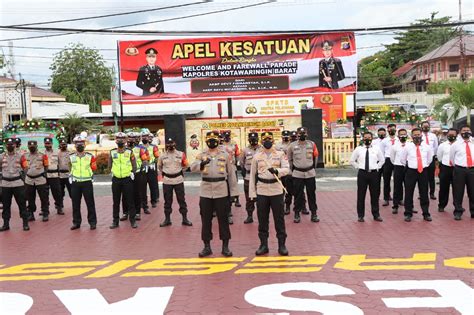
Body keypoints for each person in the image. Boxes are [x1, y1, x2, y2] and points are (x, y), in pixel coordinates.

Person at [190, 131, 238, 258]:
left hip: (221, 190)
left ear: (218, 141)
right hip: (205, 191)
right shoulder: (201, 155)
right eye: (210, 139)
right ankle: (207, 247)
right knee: (206, 220)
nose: (212, 141)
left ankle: (225, 246)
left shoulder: (225, 155)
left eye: (214, 139)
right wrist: (201, 164)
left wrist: (233, 193)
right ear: (206, 141)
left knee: (223, 219)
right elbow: (192, 167)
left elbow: (232, 175)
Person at [249, 131, 290, 256]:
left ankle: (282, 245)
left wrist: (277, 170)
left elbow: (287, 169)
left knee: (279, 219)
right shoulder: (257, 156)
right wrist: (252, 193)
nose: (267, 141)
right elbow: (252, 175)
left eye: (269, 139)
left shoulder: (280, 154)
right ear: (261, 141)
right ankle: (263, 245)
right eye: (265, 139)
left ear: (273, 140)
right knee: (262, 219)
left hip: (276, 189)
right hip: (262, 189)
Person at [399, 128, 434, 222]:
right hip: (411, 171)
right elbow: (402, 159)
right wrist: (411, 165)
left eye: (418, 134)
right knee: (409, 192)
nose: (417, 136)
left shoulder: (427, 147)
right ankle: (408, 213)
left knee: (424, 192)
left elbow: (430, 159)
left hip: (423, 171)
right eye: (415, 135)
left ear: (421, 135)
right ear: (411, 136)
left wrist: (422, 166)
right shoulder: (407, 147)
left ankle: (426, 213)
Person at [350, 132, 385, 222]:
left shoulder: (376, 149)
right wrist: (358, 166)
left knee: (375, 195)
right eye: (365, 137)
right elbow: (352, 160)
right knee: (361, 195)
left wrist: (377, 167)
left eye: (369, 137)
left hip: (374, 174)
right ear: (363, 139)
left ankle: (376, 214)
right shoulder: (358, 149)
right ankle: (360, 215)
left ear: (372, 138)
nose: (367, 139)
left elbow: (382, 160)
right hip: (362, 174)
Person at [287, 127, 319, 223]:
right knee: (298, 195)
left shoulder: (312, 144)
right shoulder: (292, 146)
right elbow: (289, 159)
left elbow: (315, 157)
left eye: (303, 133)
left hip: (310, 173)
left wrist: (313, 168)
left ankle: (314, 213)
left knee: (311, 195)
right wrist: (291, 170)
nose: (302, 135)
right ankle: (297, 213)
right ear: (297, 134)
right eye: (300, 133)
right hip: (297, 174)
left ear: (307, 134)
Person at [157, 137, 192, 227]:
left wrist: (179, 171)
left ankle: (185, 219)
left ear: (175, 144)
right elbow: (159, 166)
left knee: (181, 200)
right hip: (167, 181)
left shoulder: (181, 154)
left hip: (178, 180)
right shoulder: (162, 155)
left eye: (172, 144)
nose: (170, 145)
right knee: (167, 201)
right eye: (168, 144)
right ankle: (167, 219)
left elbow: (186, 165)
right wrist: (167, 172)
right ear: (166, 145)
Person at [108, 132, 138, 229]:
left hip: (127, 179)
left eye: (122, 139)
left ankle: (133, 221)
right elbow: (109, 165)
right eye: (118, 139)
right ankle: (115, 222)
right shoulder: (112, 152)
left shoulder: (129, 152)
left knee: (130, 200)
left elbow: (134, 164)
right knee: (116, 201)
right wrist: (111, 172)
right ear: (116, 140)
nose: (120, 140)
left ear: (125, 140)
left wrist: (132, 172)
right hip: (116, 179)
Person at [0, 138, 30, 231]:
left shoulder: (21, 156)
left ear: (15, 145)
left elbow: (25, 168)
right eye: (8, 145)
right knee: (5, 205)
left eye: (11, 144)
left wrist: (24, 180)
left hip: (18, 183)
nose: (10, 146)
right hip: (5, 184)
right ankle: (6, 224)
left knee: (22, 204)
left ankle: (25, 223)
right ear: (6, 146)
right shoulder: (1, 156)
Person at [69, 136, 98, 230]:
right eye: (77, 143)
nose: (79, 145)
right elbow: (69, 168)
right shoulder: (71, 156)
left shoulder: (90, 156)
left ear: (85, 144)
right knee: (75, 204)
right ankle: (76, 222)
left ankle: (92, 222)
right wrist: (70, 176)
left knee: (90, 203)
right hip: (75, 183)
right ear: (75, 145)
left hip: (87, 182)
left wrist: (90, 175)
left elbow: (94, 168)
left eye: (81, 143)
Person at [449, 125, 473, 220]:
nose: (466, 132)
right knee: (458, 191)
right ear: (460, 132)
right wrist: (459, 166)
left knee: (472, 191)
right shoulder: (456, 144)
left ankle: (473, 211)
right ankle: (458, 211)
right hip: (460, 170)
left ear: (471, 132)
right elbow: (452, 158)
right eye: (464, 130)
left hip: (472, 169)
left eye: (468, 130)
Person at [24, 140, 49, 222]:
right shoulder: (24, 156)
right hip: (29, 180)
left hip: (40, 179)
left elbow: (46, 166)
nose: (32, 147)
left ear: (36, 146)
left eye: (33, 146)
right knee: (30, 198)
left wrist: (42, 174)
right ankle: (31, 214)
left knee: (44, 197)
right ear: (28, 147)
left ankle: (45, 213)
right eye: (30, 146)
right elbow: (23, 167)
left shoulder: (43, 155)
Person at [239, 132, 261, 224]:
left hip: (260, 177)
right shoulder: (244, 150)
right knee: (249, 198)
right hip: (248, 177)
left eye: (255, 139)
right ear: (248, 139)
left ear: (258, 139)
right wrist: (244, 172)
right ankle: (249, 216)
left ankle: (261, 217)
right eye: (251, 139)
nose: (253, 140)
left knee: (261, 198)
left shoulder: (262, 149)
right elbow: (241, 162)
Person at [437, 128, 458, 212]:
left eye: (453, 135)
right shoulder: (443, 145)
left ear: (457, 135)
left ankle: (457, 206)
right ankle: (441, 205)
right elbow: (439, 156)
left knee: (457, 188)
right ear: (447, 135)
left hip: (457, 168)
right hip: (445, 168)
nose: (451, 136)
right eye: (450, 135)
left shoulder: (459, 145)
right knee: (443, 188)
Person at [222, 130, 241, 224]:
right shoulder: (219, 145)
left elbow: (237, 155)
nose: (226, 137)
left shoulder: (234, 144)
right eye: (225, 136)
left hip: (232, 168)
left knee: (233, 186)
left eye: (228, 135)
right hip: (221, 170)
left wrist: (236, 164)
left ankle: (232, 208)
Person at [131, 133, 150, 220]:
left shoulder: (141, 149)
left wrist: (143, 167)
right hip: (128, 174)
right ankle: (128, 211)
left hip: (139, 172)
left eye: (135, 138)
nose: (133, 140)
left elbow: (146, 159)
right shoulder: (126, 149)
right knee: (129, 193)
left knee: (141, 191)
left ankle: (144, 207)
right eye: (131, 138)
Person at [389, 129, 408, 214]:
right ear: (398, 136)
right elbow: (392, 158)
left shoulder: (410, 145)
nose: (403, 136)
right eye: (401, 134)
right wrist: (396, 164)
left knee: (408, 187)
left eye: (404, 134)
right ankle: (395, 206)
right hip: (398, 167)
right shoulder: (394, 146)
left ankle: (409, 206)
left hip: (408, 168)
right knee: (397, 187)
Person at [380, 124, 398, 206]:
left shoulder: (399, 139)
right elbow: (381, 152)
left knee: (398, 180)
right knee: (386, 180)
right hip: (387, 160)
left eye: (393, 129)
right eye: (390, 129)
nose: (391, 130)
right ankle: (386, 198)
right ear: (387, 130)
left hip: (398, 160)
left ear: (396, 129)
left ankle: (399, 198)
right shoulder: (384, 141)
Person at [44, 137, 63, 215]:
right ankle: (44, 209)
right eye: (46, 143)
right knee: (44, 194)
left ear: (52, 144)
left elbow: (60, 164)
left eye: (49, 143)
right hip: (45, 175)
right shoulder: (42, 152)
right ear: (44, 144)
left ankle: (59, 208)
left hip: (55, 175)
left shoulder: (57, 152)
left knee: (57, 193)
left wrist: (60, 175)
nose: (47, 145)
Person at [420, 121, 439, 200]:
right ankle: (422, 194)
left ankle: (432, 193)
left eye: (427, 126)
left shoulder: (433, 136)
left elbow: (436, 147)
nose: (426, 128)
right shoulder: (419, 135)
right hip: (422, 159)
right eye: (424, 126)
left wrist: (433, 156)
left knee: (431, 177)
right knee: (422, 177)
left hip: (431, 158)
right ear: (421, 127)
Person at [142, 132, 160, 211]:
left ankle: (153, 201)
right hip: (143, 169)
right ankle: (143, 202)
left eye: (148, 137)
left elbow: (157, 157)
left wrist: (152, 162)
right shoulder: (140, 147)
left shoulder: (154, 147)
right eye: (145, 137)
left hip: (151, 168)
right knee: (142, 187)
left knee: (153, 185)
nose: (147, 138)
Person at [276, 130, 292, 215]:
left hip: (290, 171)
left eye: (287, 136)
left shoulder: (292, 144)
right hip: (281, 171)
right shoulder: (278, 146)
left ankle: (288, 206)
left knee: (289, 190)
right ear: (281, 136)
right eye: (284, 136)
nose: (285, 138)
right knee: (281, 190)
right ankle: (281, 207)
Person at [58, 138, 71, 212]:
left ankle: (75, 205)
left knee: (71, 191)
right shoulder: (57, 153)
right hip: (60, 175)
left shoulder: (71, 153)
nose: (63, 145)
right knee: (60, 192)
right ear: (60, 145)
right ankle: (60, 206)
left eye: (65, 144)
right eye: (62, 144)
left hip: (68, 175)